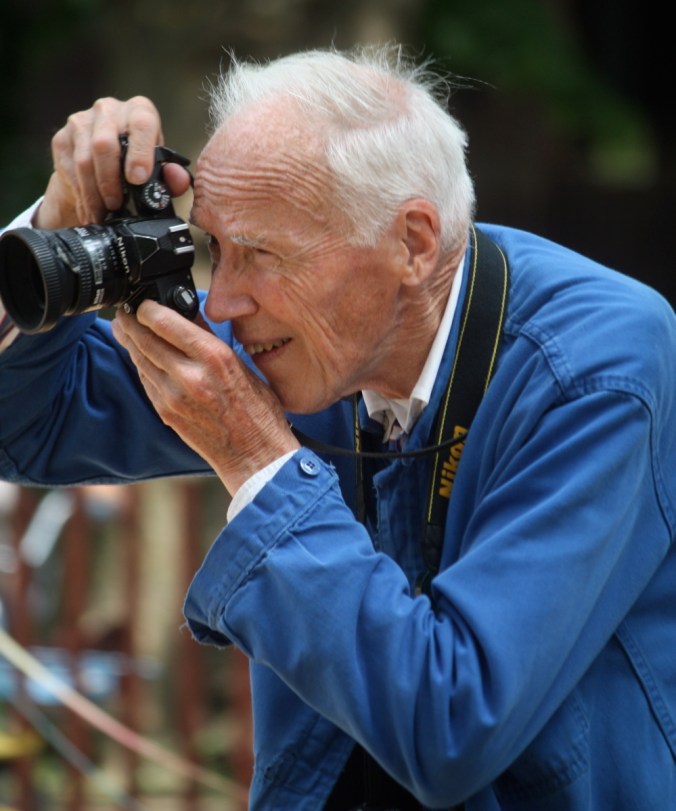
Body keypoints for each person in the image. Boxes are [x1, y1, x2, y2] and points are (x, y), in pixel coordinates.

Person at [0, 44, 674, 811]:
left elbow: (453, 726)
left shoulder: (598, 364)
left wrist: (258, 460)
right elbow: (25, 427)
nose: (222, 303)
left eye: (262, 254)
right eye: (214, 249)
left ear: (412, 243)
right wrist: (59, 219)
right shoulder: (312, 340)